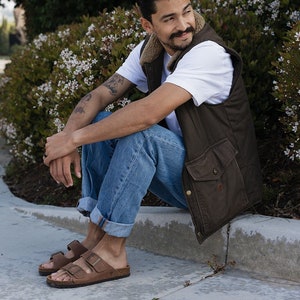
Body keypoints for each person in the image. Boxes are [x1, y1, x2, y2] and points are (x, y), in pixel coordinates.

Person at [40, 0, 262, 288]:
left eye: (187, 11)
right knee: (100, 121)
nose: (184, 25)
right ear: (148, 25)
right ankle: (95, 237)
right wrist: (66, 140)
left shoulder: (208, 54)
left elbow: (148, 114)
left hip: (223, 186)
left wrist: (72, 139)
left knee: (141, 134)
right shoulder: (150, 51)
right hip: (192, 174)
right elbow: (98, 96)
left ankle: (113, 251)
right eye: (170, 18)